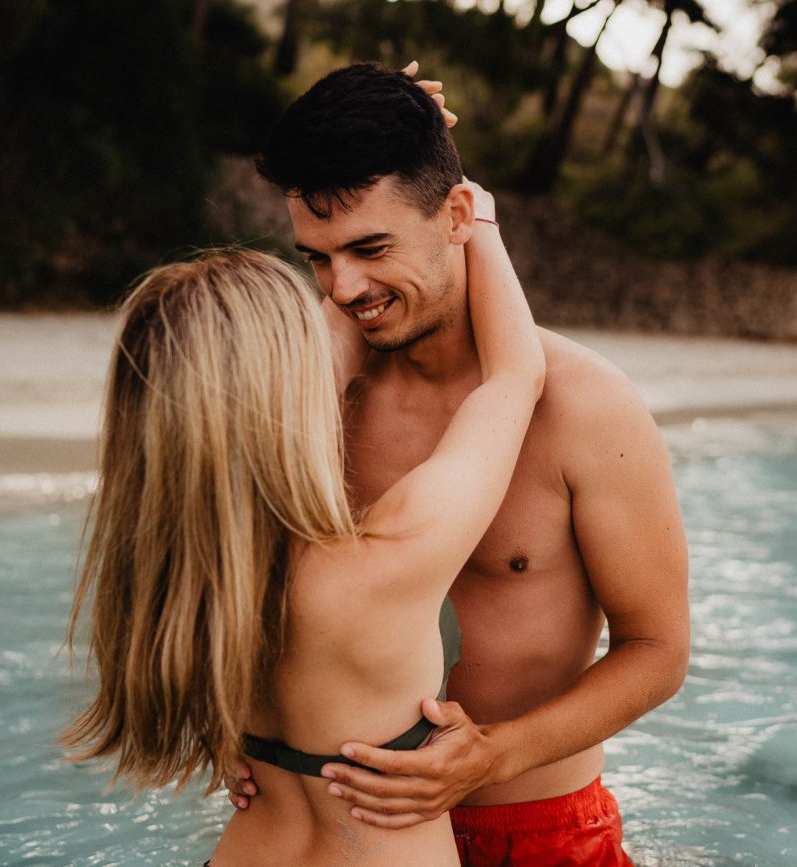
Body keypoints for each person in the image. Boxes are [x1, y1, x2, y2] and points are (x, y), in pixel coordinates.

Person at [229, 62, 690, 865]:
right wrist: (232, 721)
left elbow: (657, 648)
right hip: (345, 830)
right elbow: (239, 580)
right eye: (317, 258)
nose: (343, 288)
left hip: (533, 829)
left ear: (457, 216)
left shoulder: (585, 406)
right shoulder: (316, 399)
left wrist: (496, 752)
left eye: (371, 248)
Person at [61, 171, 544, 864]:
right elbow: (513, 376)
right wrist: (475, 216)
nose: (338, 301)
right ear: (280, 397)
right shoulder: (385, 558)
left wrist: (376, 157)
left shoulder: (181, 581)